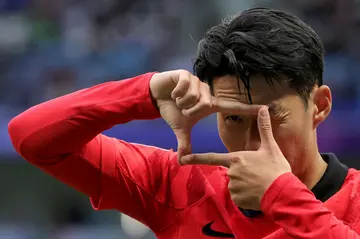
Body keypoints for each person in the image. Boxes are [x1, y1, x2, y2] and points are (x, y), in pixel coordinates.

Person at [8, 8, 360, 239]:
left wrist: (280, 195)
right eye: (234, 117)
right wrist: (141, 93)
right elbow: (30, 136)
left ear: (320, 106)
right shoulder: (180, 185)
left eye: (270, 117)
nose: (253, 143)